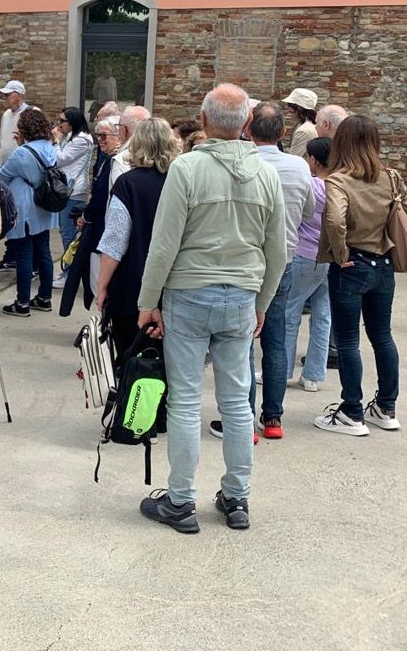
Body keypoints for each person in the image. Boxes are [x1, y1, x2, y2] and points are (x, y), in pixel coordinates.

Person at [135, 84, 286, 534]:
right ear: (245, 124)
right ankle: (237, 496)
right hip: (240, 294)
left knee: (184, 400)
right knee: (237, 401)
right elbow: (277, 248)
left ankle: (180, 500)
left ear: (202, 120)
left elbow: (163, 246)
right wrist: (263, 302)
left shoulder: (187, 168)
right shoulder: (265, 174)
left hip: (188, 293)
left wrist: (148, 302)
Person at [314, 114, 407, 437]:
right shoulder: (391, 178)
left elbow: (334, 220)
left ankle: (351, 410)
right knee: (382, 335)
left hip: (352, 265)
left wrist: (341, 254)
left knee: (347, 340)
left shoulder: (339, 180)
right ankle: (386, 406)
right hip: (383, 264)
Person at [249, 101, 316, 440]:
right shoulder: (299, 167)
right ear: (283, 133)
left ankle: (244, 417)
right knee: (276, 338)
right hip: (284, 259)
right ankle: (272, 417)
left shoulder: (244, 162)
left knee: (243, 341)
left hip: (246, 262)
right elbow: (307, 212)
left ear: (249, 128)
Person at [93, 118, 180, 364]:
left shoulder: (127, 184)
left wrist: (101, 288)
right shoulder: (181, 181)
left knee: (132, 363)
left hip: (132, 284)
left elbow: (114, 243)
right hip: (174, 284)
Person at [0, 108, 61, 316]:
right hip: (43, 207)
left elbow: (4, 176)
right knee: (43, 252)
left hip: (25, 207)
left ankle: (22, 302)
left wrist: (19, 147)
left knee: (24, 255)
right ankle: (44, 297)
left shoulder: (22, 152)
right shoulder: (50, 148)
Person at [60, 115, 122, 317]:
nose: (100, 140)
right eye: (98, 136)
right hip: (102, 228)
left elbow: (101, 195)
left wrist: (86, 216)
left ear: (119, 134)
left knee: (99, 283)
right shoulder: (108, 159)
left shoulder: (116, 162)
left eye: (104, 136)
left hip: (103, 230)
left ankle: (105, 323)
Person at [284, 136, 332, 390]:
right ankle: (313, 375)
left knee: (290, 312)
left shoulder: (312, 186)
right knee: (323, 314)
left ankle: (282, 370)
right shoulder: (340, 185)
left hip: (306, 253)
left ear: (313, 159)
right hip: (330, 255)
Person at [52, 107, 95, 259]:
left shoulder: (82, 140)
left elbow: (60, 159)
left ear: (73, 122)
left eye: (62, 121)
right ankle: (68, 269)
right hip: (68, 188)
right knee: (65, 230)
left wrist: (56, 141)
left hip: (74, 190)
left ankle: (69, 269)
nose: (59, 124)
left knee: (68, 230)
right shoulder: (71, 136)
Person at [109, 105, 150, 186]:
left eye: (118, 126)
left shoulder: (122, 160)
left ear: (124, 130)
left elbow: (118, 195)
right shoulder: (160, 155)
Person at [0, 79, 31, 164]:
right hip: (4, 167)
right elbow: (2, 142)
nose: (4, 97)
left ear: (18, 95)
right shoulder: (6, 114)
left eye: (7, 95)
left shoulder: (31, 114)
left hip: (21, 167)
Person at [282, 88, 319, 157]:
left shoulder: (304, 130)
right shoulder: (308, 124)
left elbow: (293, 158)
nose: (289, 114)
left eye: (290, 110)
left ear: (299, 109)